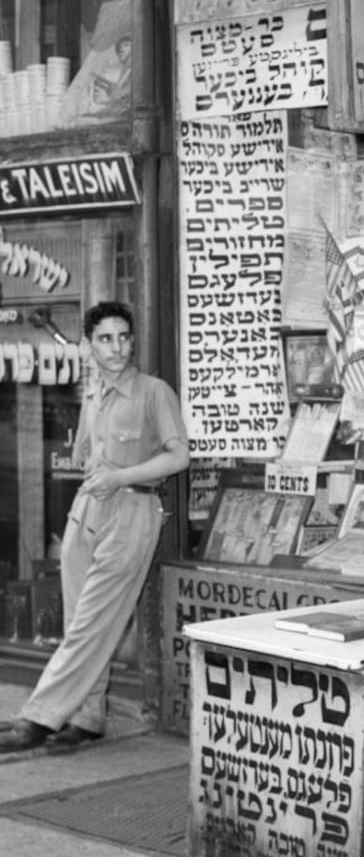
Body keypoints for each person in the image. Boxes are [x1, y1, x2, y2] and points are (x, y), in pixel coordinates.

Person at [0, 302, 189, 752]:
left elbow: (179, 457)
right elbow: (88, 452)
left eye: (124, 337)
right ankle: (87, 717)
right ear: (89, 344)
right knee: (79, 622)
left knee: (90, 624)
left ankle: (39, 717)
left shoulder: (153, 392)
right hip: (87, 512)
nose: (117, 347)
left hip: (133, 512)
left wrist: (120, 477)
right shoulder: (92, 390)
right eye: (105, 339)